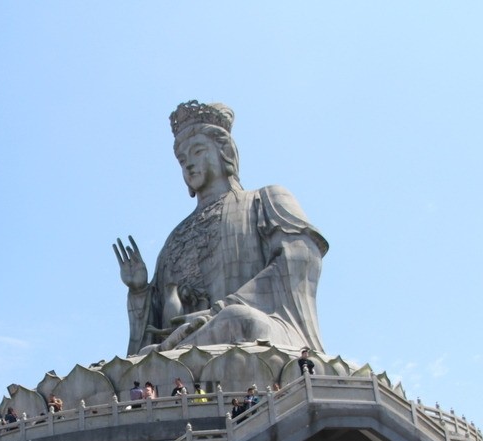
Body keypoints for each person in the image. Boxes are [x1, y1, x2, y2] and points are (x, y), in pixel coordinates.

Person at [113, 100, 328, 356]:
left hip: (250, 331)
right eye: (182, 160)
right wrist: (139, 292)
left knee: (240, 320)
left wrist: (220, 310)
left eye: (197, 152)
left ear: (224, 150)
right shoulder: (175, 239)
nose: (188, 165)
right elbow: (158, 322)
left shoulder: (266, 199)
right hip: (184, 345)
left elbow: (300, 260)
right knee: (145, 356)